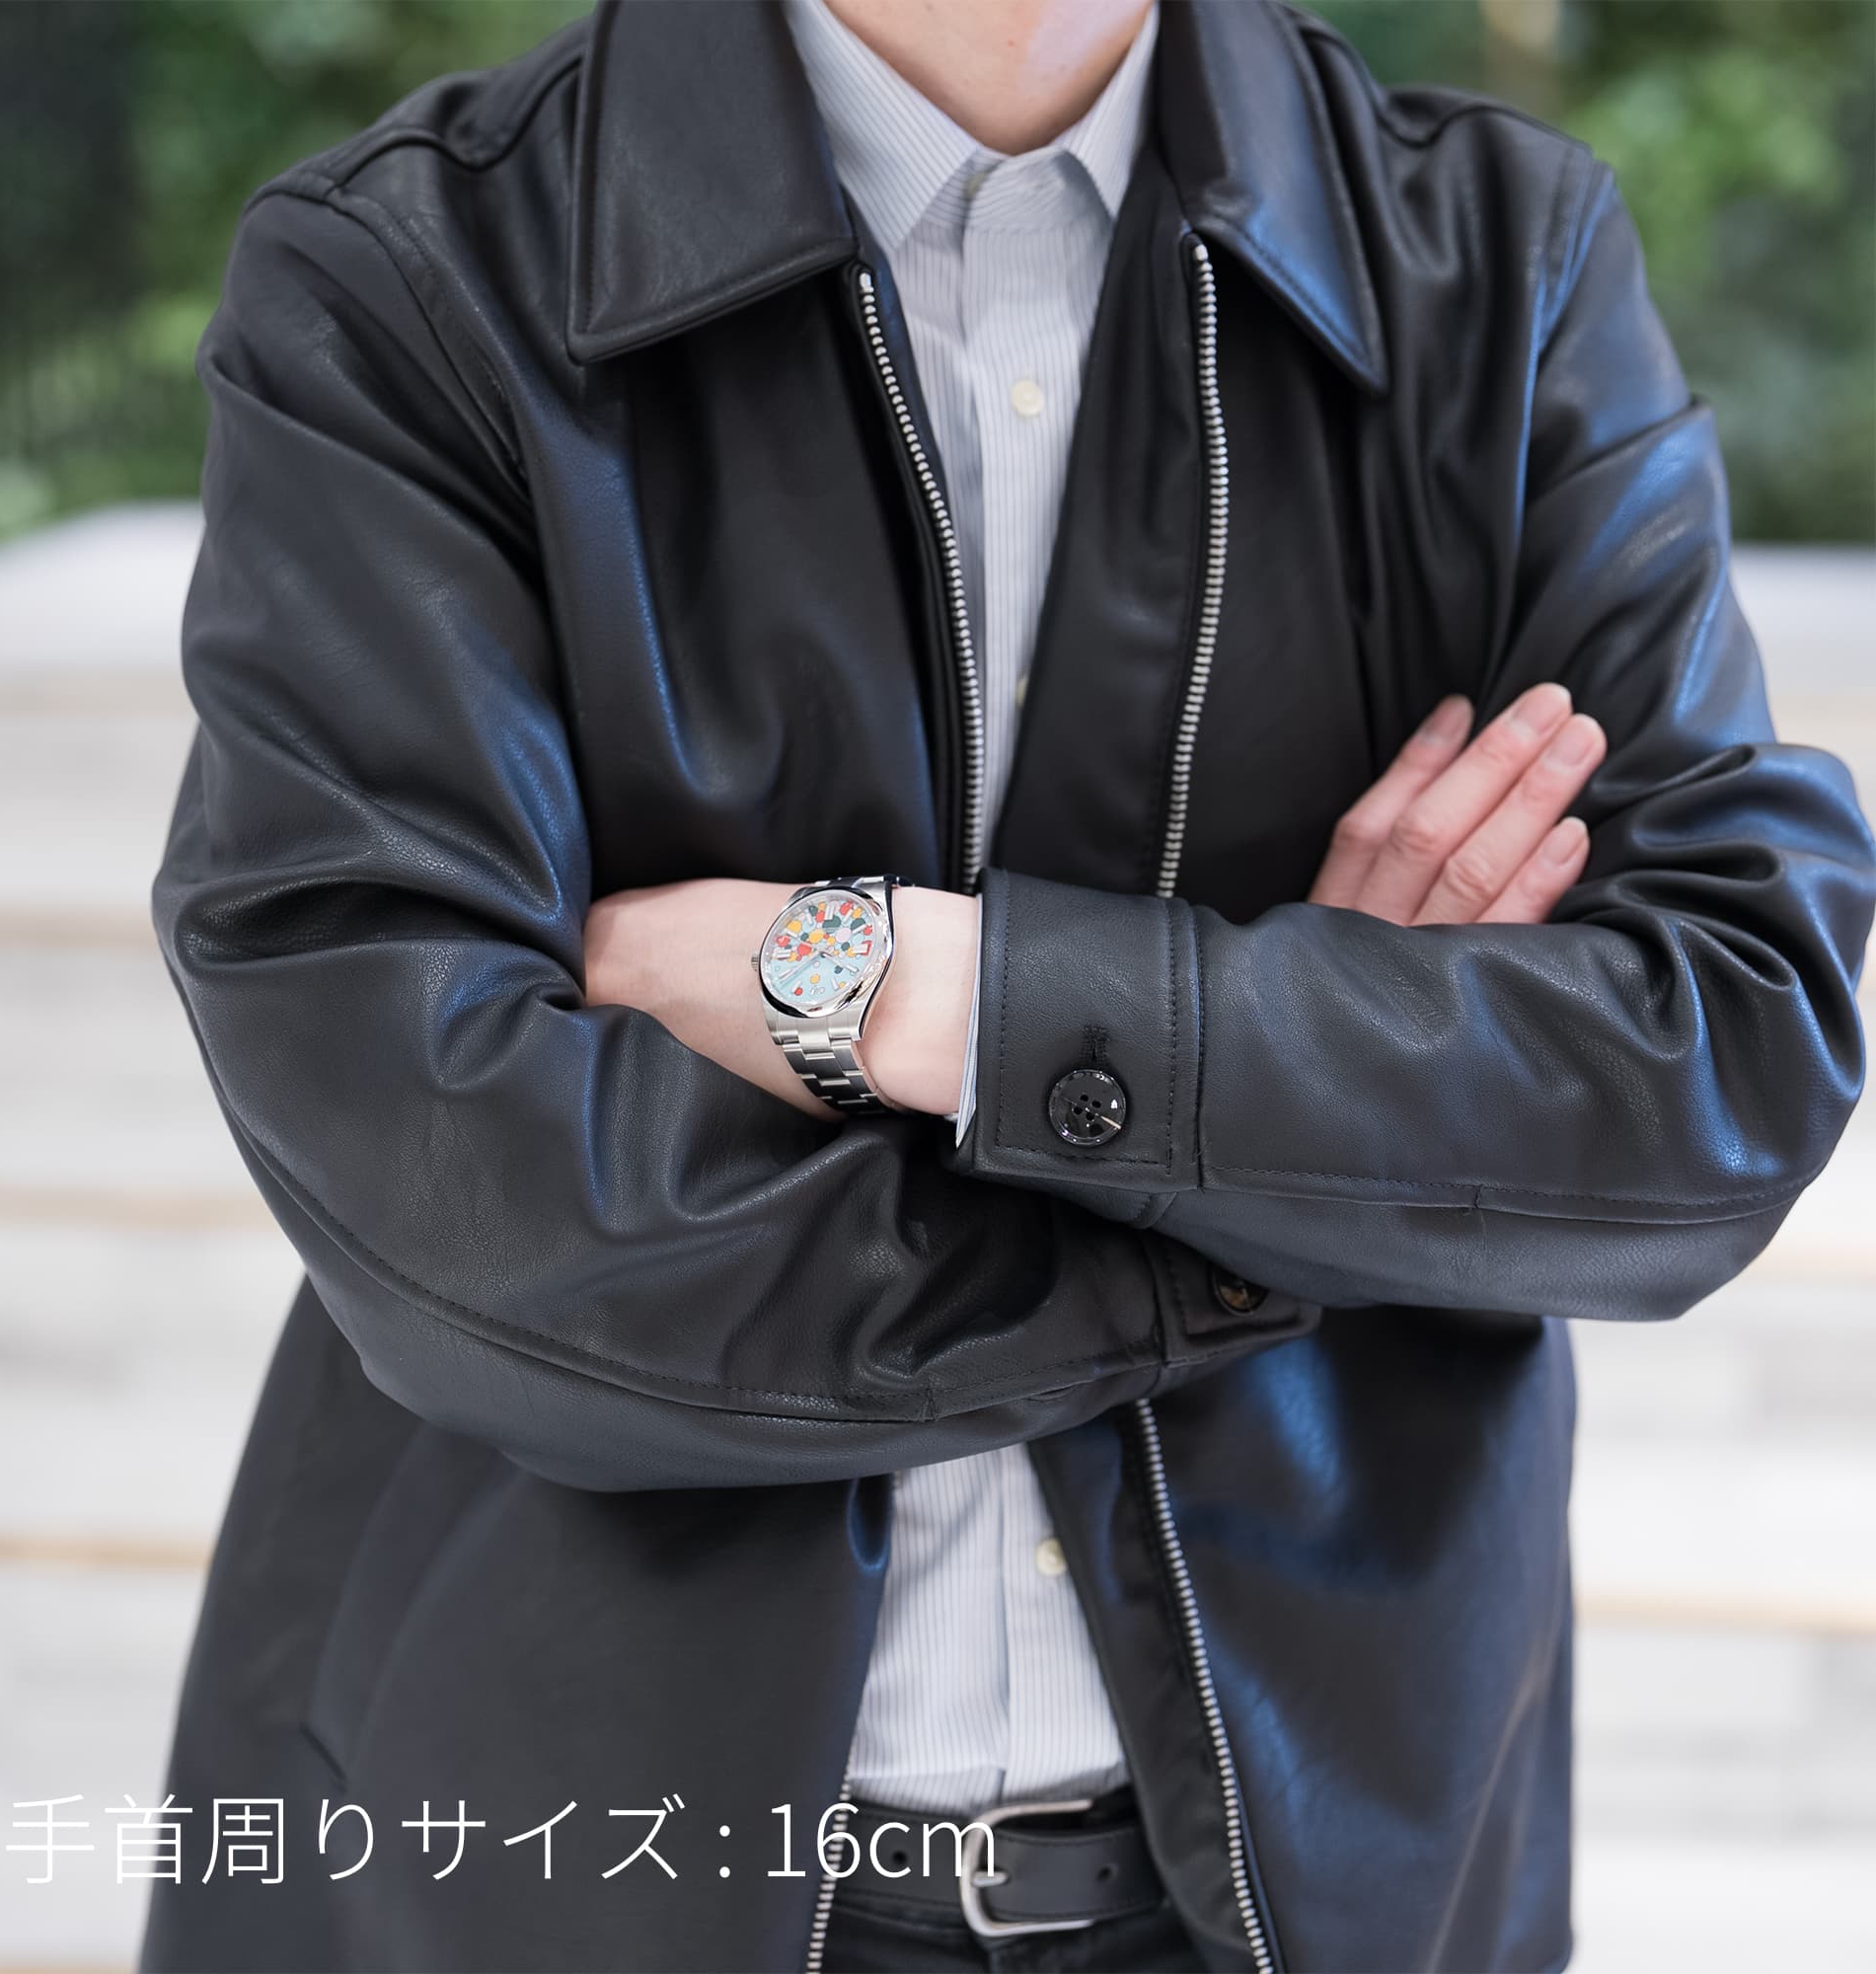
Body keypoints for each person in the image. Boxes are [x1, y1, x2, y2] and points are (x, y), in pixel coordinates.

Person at [141, 1, 1875, 1969]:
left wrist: (896, 987)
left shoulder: (1499, 263)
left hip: (1317, 1881)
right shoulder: (413, 275)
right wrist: (1291, 1139)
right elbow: (456, 1202)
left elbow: (1717, 1056)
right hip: (575, 1861)